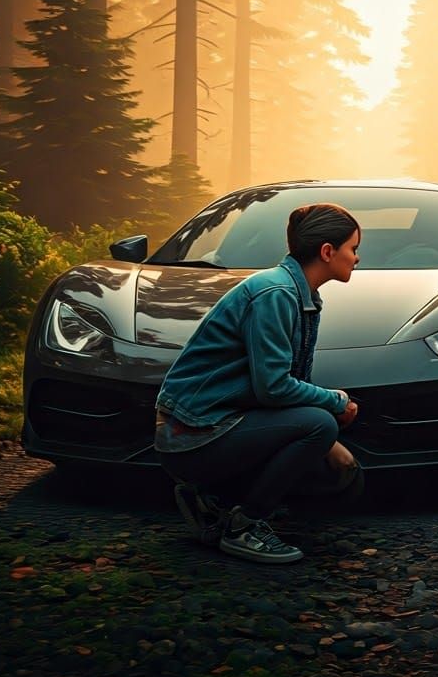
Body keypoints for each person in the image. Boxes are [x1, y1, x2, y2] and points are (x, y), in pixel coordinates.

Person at [155, 203, 362, 564]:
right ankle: (244, 526)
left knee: (343, 472)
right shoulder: (276, 293)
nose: (357, 258)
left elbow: (288, 386)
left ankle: (212, 502)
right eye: (353, 248)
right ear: (328, 252)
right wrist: (336, 402)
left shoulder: (298, 293)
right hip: (192, 433)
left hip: (216, 423)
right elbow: (275, 388)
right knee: (320, 425)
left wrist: (328, 439)